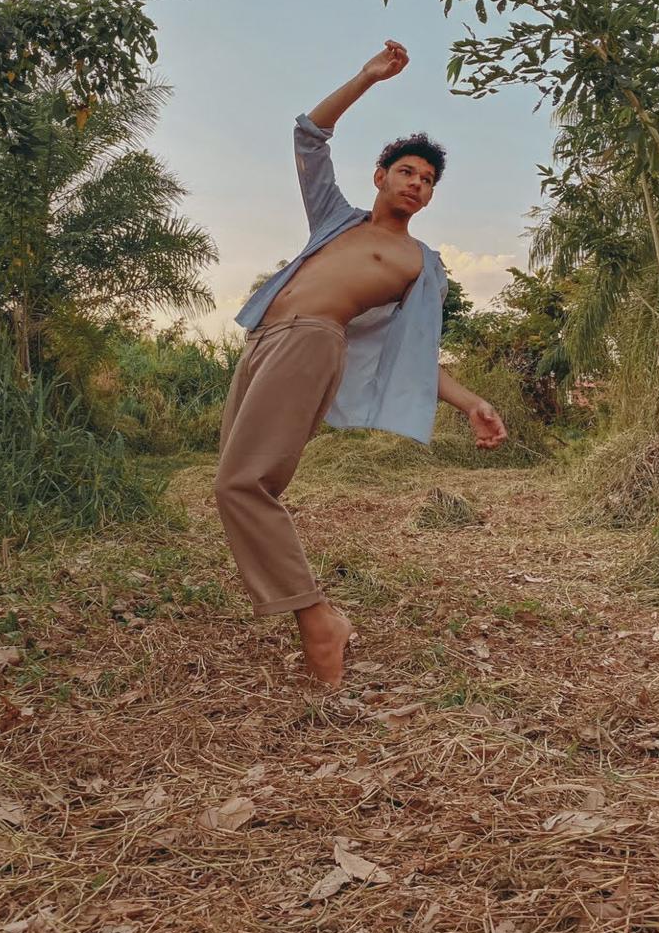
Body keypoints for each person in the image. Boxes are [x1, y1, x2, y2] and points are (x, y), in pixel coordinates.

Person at [214, 40, 507, 688]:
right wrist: (367, 77)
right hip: (262, 339)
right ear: (381, 176)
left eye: (427, 181)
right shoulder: (335, 221)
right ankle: (315, 616)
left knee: (242, 484)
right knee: (236, 483)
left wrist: (470, 402)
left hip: (312, 342)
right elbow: (308, 136)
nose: (418, 184)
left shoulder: (418, 264)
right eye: (408, 172)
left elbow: (415, 355)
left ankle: (319, 620)